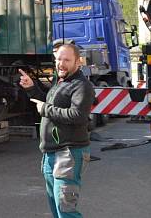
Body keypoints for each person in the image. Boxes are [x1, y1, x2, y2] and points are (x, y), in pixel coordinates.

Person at [19, 40, 95, 218]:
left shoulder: (82, 86)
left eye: (67, 60)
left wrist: (45, 109)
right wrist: (31, 88)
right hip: (51, 154)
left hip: (69, 153)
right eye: (59, 59)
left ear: (78, 62)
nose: (61, 63)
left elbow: (78, 116)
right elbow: (47, 104)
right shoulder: (60, 82)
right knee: (56, 208)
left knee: (66, 211)